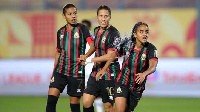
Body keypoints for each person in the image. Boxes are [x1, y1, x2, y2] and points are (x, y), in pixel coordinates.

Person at [46, 4, 95, 112]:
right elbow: (58, 51)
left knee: (74, 105)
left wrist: (85, 56)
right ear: (64, 16)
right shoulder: (60, 32)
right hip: (60, 71)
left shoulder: (83, 29)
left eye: (75, 13)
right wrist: (55, 68)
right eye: (70, 14)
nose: (73, 16)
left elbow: (93, 46)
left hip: (76, 72)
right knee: (51, 101)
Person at [110, 22, 158, 112]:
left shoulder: (151, 48)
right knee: (120, 110)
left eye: (146, 32)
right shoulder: (127, 46)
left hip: (137, 87)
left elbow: (153, 66)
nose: (145, 34)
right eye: (141, 32)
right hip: (123, 82)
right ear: (135, 34)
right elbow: (113, 55)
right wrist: (104, 67)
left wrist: (144, 74)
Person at [81, 5, 121, 112]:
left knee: (108, 107)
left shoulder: (114, 33)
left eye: (106, 16)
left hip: (109, 73)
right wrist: (86, 55)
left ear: (110, 17)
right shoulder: (96, 30)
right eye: (101, 16)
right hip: (96, 71)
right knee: (86, 101)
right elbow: (94, 46)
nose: (103, 19)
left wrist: (91, 60)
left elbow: (110, 55)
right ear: (97, 17)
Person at [81, 19, 104, 112]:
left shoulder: (94, 40)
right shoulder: (78, 40)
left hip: (92, 69)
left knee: (95, 95)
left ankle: (99, 110)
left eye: (85, 27)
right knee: (85, 97)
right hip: (82, 71)